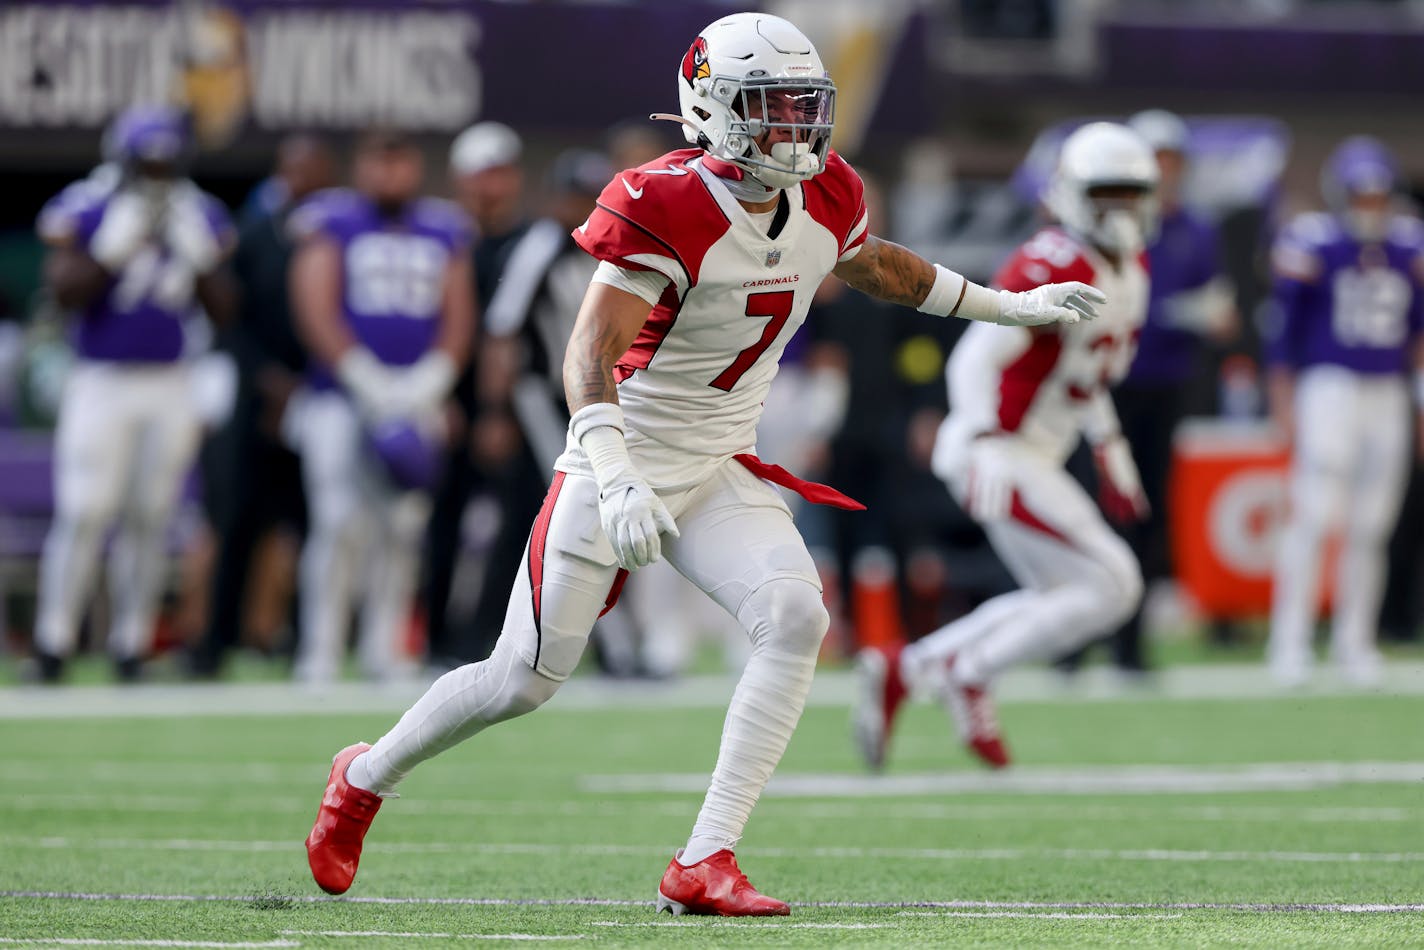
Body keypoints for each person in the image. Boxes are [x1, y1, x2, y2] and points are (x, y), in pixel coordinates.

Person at [304, 12, 1102, 915]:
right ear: (713, 107)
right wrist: (613, 473)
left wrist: (1009, 307)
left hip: (722, 459)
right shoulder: (663, 198)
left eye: (806, 107)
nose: (795, 129)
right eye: (771, 108)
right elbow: (587, 353)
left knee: (797, 615)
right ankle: (364, 777)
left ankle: (705, 858)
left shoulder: (828, 191)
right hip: (625, 450)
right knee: (521, 680)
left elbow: (873, 266)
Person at [853, 122, 1157, 771]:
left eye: (1129, 195)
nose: (1120, 211)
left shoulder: (1130, 267)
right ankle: (966, 670)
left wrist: (1111, 446)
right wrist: (988, 438)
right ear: (1072, 195)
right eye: (1106, 195)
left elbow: (1086, 373)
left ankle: (907, 669)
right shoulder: (1055, 260)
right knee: (1115, 583)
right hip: (996, 450)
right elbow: (975, 358)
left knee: (1063, 591)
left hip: (1032, 452)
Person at [31, 104, 236, 683]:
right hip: (100, 377)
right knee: (85, 510)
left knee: (152, 514)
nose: (155, 173)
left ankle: (131, 642)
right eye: (146, 162)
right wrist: (110, 251)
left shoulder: (198, 212)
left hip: (170, 379)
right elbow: (62, 291)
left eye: (164, 163)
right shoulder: (90, 205)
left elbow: (225, 308)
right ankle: (53, 641)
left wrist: (197, 258)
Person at [285, 130, 475, 684]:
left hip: (417, 392)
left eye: (400, 161)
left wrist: (433, 378)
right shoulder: (332, 220)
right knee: (338, 522)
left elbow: (458, 311)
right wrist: (361, 375)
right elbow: (314, 302)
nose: (390, 174)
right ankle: (318, 648)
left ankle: (385, 647)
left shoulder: (443, 227)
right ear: (360, 165)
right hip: (341, 397)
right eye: (379, 161)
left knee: (402, 529)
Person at [1054, 109, 1235, 675]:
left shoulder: (1195, 231)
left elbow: (1222, 312)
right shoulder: (1093, 224)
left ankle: (1128, 642)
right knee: (1082, 506)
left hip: (1161, 384)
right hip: (1094, 386)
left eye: (1171, 160)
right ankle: (1071, 639)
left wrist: (1205, 315)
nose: (1163, 170)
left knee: (1143, 510)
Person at [1265, 136, 1424, 687]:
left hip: (1388, 391)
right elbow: (1282, 334)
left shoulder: (1409, 244)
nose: (1370, 207)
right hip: (1328, 385)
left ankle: (1355, 642)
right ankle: (1290, 641)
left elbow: (1419, 336)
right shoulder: (1313, 241)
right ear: (1340, 196)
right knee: (1315, 516)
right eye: (1361, 195)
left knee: (1371, 526)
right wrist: (1282, 402)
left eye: (1378, 196)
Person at [189, 133, 336, 678]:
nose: (301, 181)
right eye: (293, 170)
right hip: (254, 396)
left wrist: (306, 381)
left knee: (311, 523)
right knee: (234, 521)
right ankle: (212, 643)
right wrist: (268, 381)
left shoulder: (334, 235)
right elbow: (229, 317)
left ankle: (300, 639)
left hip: (318, 392)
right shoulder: (254, 234)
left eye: (312, 170)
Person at [421, 121, 530, 667]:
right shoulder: (440, 239)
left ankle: (489, 636)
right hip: (444, 394)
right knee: (440, 519)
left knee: (519, 521)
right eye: (483, 175)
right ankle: (435, 636)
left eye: (501, 174)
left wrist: (499, 409)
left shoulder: (526, 240)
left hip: (511, 405)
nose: (493, 186)